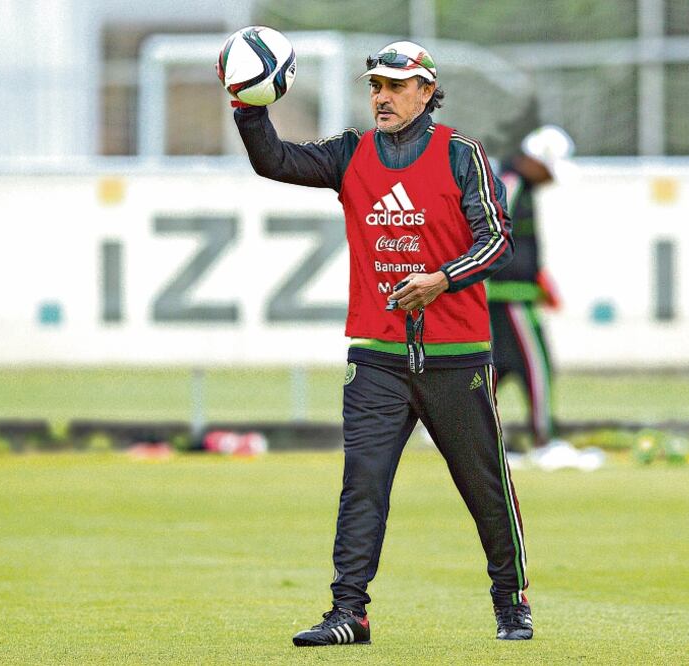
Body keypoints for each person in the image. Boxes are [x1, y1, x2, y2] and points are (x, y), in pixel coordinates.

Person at [224, 40, 532, 645]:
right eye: (374, 86)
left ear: (426, 90)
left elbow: (498, 240)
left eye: (395, 86)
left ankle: (510, 599)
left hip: (455, 356)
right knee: (362, 484)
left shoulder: (462, 155)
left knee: (483, 484)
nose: (381, 97)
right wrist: (248, 105)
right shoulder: (351, 153)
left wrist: (441, 278)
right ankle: (348, 613)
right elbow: (274, 161)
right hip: (376, 355)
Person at [486, 126, 585, 467]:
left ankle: (473, 439)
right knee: (537, 365)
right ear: (534, 161)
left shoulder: (517, 185)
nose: (550, 179)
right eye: (549, 170)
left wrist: (537, 278)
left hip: (510, 293)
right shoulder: (510, 185)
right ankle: (545, 440)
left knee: (494, 370)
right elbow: (489, 232)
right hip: (509, 296)